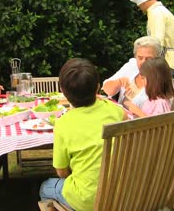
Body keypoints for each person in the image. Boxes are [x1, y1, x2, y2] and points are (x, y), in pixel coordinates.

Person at [40, 58, 127, 210]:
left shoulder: (63, 123)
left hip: (86, 200)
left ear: (62, 91)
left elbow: (62, 172)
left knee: (45, 187)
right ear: (98, 88)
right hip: (121, 193)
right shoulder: (116, 111)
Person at [129, 0, 174, 78]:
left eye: (138, 5)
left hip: (165, 64)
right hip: (171, 62)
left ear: (143, 2)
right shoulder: (161, 10)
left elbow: (156, 42)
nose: (139, 7)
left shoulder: (155, 13)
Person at [102, 36, 161, 108]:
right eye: (140, 58)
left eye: (148, 59)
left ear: (157, 58)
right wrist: (118, 82)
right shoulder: (132, 65)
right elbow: (107, 89)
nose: (143, 62)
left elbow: (158, 116)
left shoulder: (162, 78)